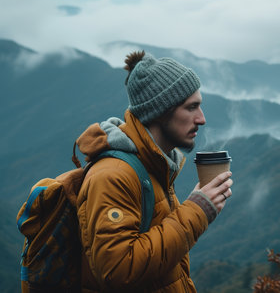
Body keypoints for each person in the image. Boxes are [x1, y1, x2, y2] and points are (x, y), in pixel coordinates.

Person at [75, 51, 233, 292]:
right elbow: (118, 271)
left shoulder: (154, 167)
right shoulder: (113, 175)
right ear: (160, 111)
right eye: (191, 108)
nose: (201, 119)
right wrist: (197, 210)